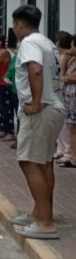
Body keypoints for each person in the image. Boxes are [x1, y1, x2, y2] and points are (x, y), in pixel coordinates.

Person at [9, 5, 66, 240]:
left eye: (14, 25)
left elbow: (35, 70)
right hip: (54, 108)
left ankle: (44, 222)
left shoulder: (30, 43)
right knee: (43, 163)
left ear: (19, 24)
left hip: (40, 111)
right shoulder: (47, 42)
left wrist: (35, 102)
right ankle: (39, 213)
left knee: (29, 162)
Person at [54, 32, 75, 167]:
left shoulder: (67, 58)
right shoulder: (69, 58)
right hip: (65, 94)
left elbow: (67, 76)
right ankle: (62, 150)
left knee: (70, 128)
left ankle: (69, 153)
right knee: (63, 125)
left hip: (70, 96)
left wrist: (63, 77)